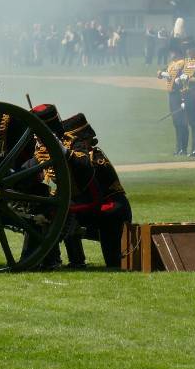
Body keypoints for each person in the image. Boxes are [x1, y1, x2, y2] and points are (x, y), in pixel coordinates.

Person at [33, 112, 132, 269]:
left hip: (111, 210)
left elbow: (89, 187)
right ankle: (75, 261)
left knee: (114, 263)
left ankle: (71, 260)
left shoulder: (94, 158)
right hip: (90, 206)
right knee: (65, 212)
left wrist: (65, 154)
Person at [158, 37, 195, 156]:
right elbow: (178, 74)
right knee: (184, 122)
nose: (188, 51)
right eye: (186, 49)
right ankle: (182, 149)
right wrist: (178, 80)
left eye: (189, 48)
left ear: (194, 48)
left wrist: (189, 79)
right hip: (184, 94)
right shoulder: (186, 61)